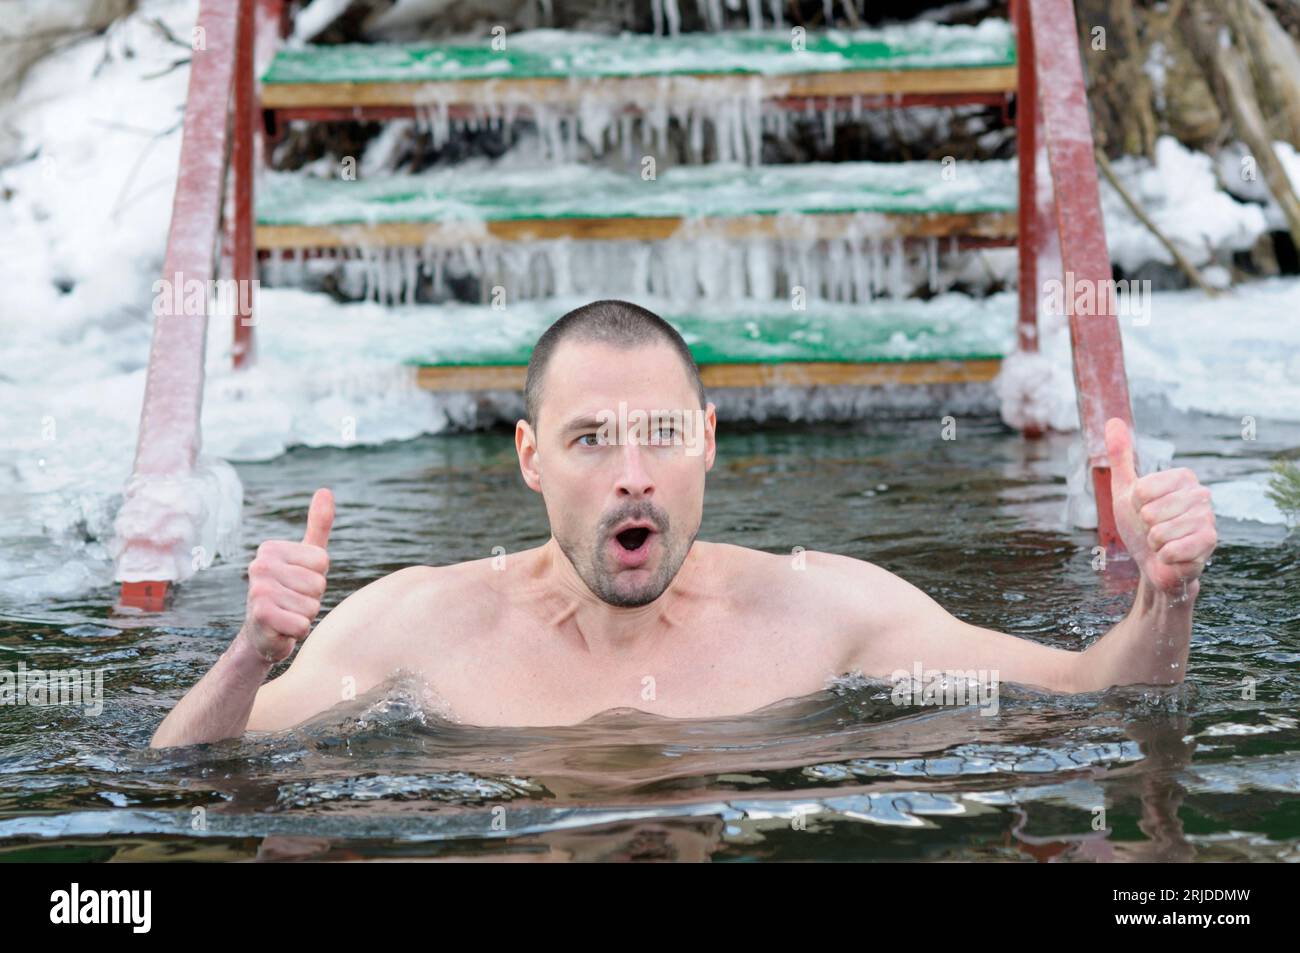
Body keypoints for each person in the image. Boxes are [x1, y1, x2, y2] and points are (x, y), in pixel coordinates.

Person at [150, 299, 1217, 747]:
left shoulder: (819, 608)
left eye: (660, 434)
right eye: (587, 441)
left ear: (708, 439)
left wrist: (1166, 594)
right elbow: (181, 768)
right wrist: (249, 654)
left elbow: (1104, 689)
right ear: (529, 459)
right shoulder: (421, 623)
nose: (631, 476)